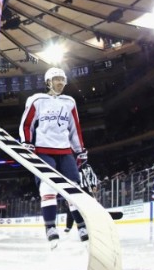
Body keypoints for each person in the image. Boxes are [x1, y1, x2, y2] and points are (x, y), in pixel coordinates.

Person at [19, 67, 88, 248]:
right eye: (56, 79)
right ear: (48, 82)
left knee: (74, 188)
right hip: (43, 150)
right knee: (47, 186)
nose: (60, 82)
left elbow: (75, 129)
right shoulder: (36, 100)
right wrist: (26, 142)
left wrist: (79, 149)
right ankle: (50, 227)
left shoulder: (70, 102)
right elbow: (26, 124)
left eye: (63, 79)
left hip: (65, 151)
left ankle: (81, 227)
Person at [65, 155, 99, 233]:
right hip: (75, 189)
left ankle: (92, 223)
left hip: (86, 189)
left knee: (91, 204)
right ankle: (69, 226)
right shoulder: (72, 166)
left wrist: (94, 185)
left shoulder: (88, 166)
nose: (84, 160)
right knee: (72, 208)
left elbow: (93, 176)